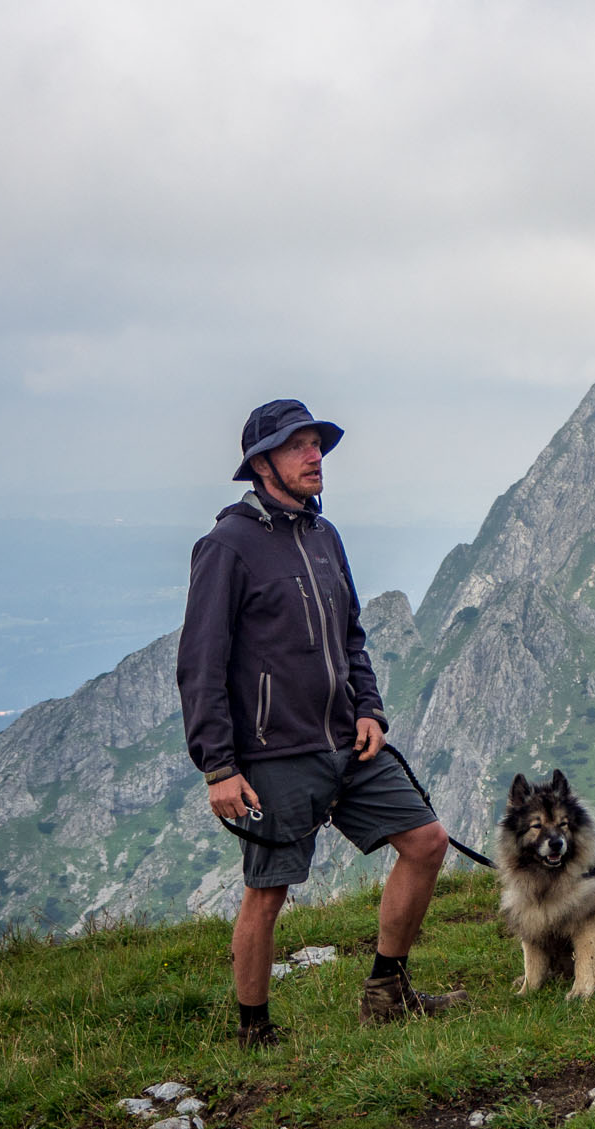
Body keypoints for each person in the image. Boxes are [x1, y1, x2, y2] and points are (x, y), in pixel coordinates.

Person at [177, 398, 466, 1046]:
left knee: (427, 843)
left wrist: (369, 708)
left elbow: (351, 636)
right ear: (262, 463)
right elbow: (201, 664)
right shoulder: (227, 546)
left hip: (347, 741)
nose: (315, 457)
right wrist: (219, 767)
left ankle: (387, 993)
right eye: (298, 446)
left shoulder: (323, 536)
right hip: (275, 754)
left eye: (317, 444)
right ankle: (255, 1031)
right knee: (268, 891)